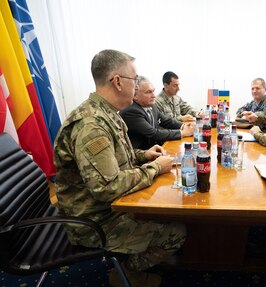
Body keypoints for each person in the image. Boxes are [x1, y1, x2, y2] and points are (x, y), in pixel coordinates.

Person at [54, 49, 186, 287]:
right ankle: (125, 274)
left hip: (108, 207)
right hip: (95, 220)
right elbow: (107, 187)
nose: (137, 85)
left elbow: (118, 158)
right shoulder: (91, 124)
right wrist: (154, 168)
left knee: (168, 208)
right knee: (176, 232)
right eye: (134, 80)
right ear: (117, 81)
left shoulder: (108, 113)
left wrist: (143, 155)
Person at [120, 76, 194, 150]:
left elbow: (166, 121)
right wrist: (182, 133)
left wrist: (184, 126)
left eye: (153, 91)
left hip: (154, 149)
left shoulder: (151, 105)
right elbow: (153, 133)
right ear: (135, 95)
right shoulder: (131, 111)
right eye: (148, 92)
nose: (153, 96)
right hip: (140, 155)